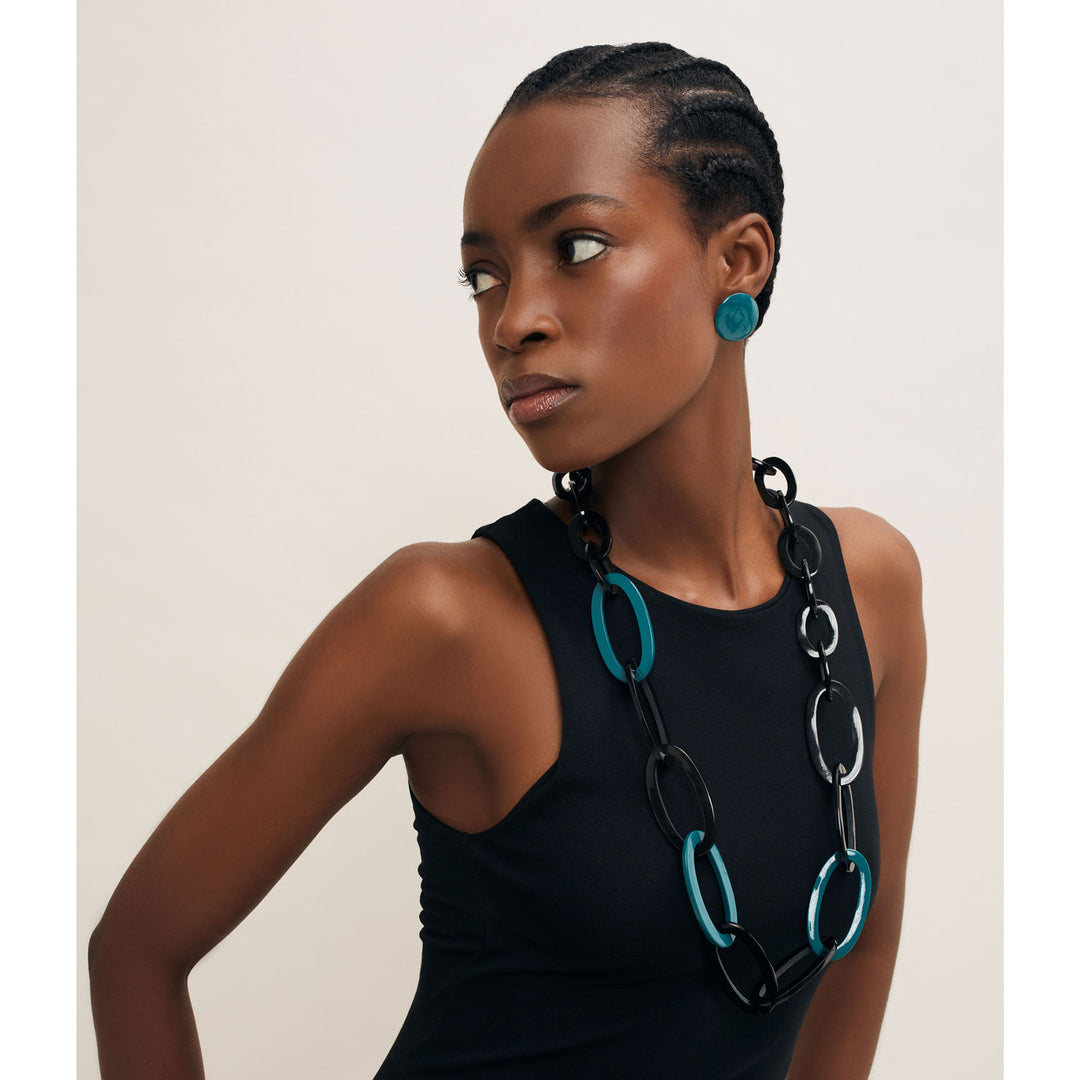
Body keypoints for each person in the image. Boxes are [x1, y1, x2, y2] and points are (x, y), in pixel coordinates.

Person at [88, 41, 926, 1080]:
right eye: (484, 275)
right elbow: (136, 952)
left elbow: (866, 939)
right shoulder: (444, 617)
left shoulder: (869, 588)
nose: (512, 318)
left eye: (576, 247)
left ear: (738, 261)